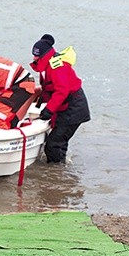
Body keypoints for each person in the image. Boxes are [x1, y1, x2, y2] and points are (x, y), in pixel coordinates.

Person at [30, 34, 90, 163]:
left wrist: (48, 110)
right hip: (66, 108)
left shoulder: (57, 66)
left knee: (53, 145)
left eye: (37, 55)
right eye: (34, 54)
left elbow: (62, 91)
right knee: (59, 142)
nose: (34, 58)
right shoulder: (47, 66)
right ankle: (61, 173)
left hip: (74, 108)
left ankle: (56, 171)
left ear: (44, 55)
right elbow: (49, 89)